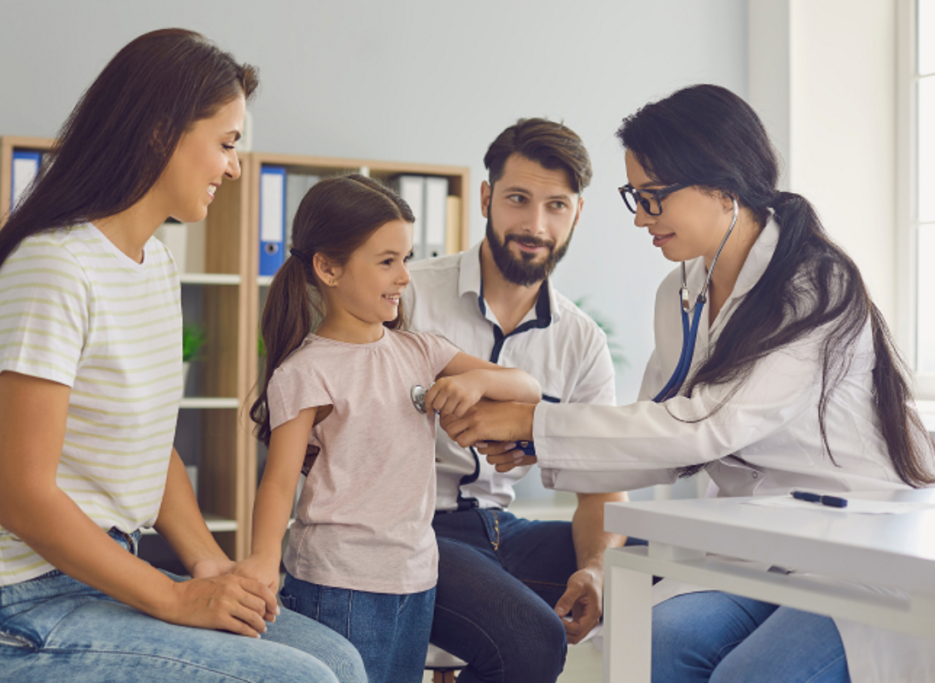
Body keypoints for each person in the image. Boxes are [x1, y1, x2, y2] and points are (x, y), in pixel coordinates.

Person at [443, 84, 935, 683]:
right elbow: (659, 433)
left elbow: (706, 427)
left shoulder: (814, 287)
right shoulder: (681, 292)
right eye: (635, 197)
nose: (640, 217)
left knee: (751, 675)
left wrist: (533, 423)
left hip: (854, 545)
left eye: (653, 198)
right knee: (655, 642)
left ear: (722, 187)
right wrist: (531, 443)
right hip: (759, 542)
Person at [0, 29, 366, 683]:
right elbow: (21, 497)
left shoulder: (154, 266)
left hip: (101, 575)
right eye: (225, 143)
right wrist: (171, 596)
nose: (234, 166)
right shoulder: (54, 268)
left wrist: (206, 563)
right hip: (13, 608)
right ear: (161, 133)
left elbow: (147, 447)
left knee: (340, 659)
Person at [242, 174, 541, 683]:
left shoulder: (421, 351)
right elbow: (277, 481)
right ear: (328, 268)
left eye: (405, 259)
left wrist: (473, 382)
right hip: (338, 582)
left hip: (414, 575)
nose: (404, 276)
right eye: (387, 261)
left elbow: (527, 387)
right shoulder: (305, 371)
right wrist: (262, 567)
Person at [400, 117, 627, 683]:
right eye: (518, 200)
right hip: (413, 529)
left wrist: (596, 570)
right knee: (533, 640)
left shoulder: (580, 338)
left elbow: (603, 485)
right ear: (486, 198)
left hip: (501, 530)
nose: (535, 224)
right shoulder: (406, 295)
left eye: (556, 206)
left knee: (651, 559)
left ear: (577, 214)